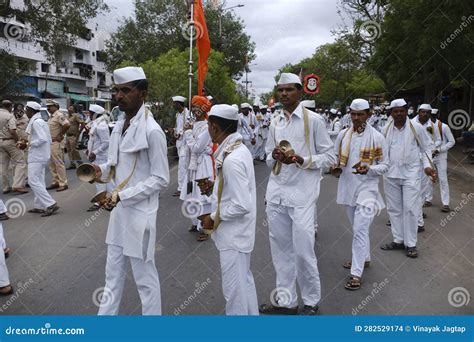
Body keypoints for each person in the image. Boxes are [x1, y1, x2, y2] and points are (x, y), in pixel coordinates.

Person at [259, 73, 336, 315]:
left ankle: (311, 301)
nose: (283, 94)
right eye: (280, 90)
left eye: (289, 90)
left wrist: (303, 160)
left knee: (303, 251)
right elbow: (267, 151)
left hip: (302, 195)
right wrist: (275, 155)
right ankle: (287, 301)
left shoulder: (313, 120)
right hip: (277, 194)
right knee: (280, 251)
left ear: (299, 92)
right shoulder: (275, 121)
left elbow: (331, 158)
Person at [95, 66, 169, 315]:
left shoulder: (153, 131)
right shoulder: (119, 124)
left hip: (140, 217)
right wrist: (99, 171)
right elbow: (116, 166)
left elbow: (161, 179)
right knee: (111, 276)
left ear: (143, 93)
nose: (119, 95)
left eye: (125, 90)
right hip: (119, 215)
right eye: (116, 90)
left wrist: (121, 195)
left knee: (145, 281)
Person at [198, 104, 258, 315]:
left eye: (208, 125)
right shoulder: (239, 150)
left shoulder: (232, 159)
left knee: (233, 294)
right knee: (244, 284)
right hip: (239, 234)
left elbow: (242, 204)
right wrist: (215, 187)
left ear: (214, 127)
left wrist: (212, 217)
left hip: (234, 236)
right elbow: (236, 191)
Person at [334, 99, 389, 290]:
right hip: (348, 189)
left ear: (369, 114)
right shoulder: (342, 135)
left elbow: (385, 165)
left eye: (361, 114)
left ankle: (356, 274)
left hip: (368, 190)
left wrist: (370, 169)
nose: (356, 118)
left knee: (359, 230)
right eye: (353, 114)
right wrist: (335, 167)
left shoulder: (377, 137)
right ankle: (364, 258)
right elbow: (335, 158)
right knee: (358, 229)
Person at [381, 99, 436, 258]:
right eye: (395, 111)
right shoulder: (385, 128)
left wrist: (427, 166)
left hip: (411, 174)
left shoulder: (416, 127)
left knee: (411, 209)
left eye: (401, 111)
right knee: (394, 209)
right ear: (391, 112)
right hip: (390, 175)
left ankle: (411, 244)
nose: (398, 114)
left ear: (407, 111)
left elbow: (426, 148)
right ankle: (398, 240)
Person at [179, 96, 214, 242]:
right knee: (191, 193)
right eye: (193, 106)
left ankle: (206, 227)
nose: (195, 109)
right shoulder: (192, 123)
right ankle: (195, 222)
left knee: (202, 195)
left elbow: (197, 147)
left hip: (202, 164)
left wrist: (188, 133)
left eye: (198, 106)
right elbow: (188, 146)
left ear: (204, 109)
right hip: (192, 164)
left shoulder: (207, 126)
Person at [23, 102, 59, 217]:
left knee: (32, 180)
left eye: (26, 109)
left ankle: (50, 204)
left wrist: (28, 144)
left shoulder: (36, 123)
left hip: (37, 156)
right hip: (41, 155)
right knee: (39, 181)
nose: (25, 112)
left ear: (31, 110)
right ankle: (39, 205)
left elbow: (42, 139)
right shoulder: (40, 121)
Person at [86, 104, 111, 212]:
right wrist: (89, 150)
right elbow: (94, 140)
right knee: (101, 179)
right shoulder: (96, 124)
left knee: (100, 178)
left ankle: (100, 201)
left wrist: (95, 152)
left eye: (91, 113)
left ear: (96, 114)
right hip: (97, 156)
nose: (89, 115)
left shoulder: (101, 126)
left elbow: (106, 143)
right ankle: (106, 198)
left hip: (101, 157)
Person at [429, 109, 455, 212]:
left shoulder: (444, 127)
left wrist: (439, 150)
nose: (432, 116)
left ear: (438, 115)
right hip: (429, 156)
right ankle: (428, 199)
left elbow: (452, 141)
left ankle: (445, 204)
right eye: (430, 114)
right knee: (428, 179)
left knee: (443, 180)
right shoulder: (426, 126)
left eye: (434, 115)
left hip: (441, 157)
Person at [0, 100, 27, 194]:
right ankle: (17, 185)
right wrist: (18, 141)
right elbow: (12, 131)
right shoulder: (9, 116)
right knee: (20, 162)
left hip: (0, 142)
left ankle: (6, 187)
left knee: (3, 165)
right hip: (10, 141)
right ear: (10, 106)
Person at [46, 99, 70, 192]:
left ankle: (63, 183)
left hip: (57, 142)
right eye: (47, 106)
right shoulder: (51, 116)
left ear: (55, 106)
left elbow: (67, 124)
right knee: (52, 164)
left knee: (59, 163)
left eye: (50, 106)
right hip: (51, 142)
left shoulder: (59, 115)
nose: (48, 108)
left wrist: (60, 135)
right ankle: (56, 181)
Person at [172, 96, 192, 197]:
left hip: (185, 143)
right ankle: (187, 186)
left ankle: (181, 189)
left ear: (179, 104)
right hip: (179, 143)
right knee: (185, 166)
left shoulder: (188, 114)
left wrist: (180, 133)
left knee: (182, 167)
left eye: (174, 103)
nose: (173, 105)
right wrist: (175, 132)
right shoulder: (177, 114)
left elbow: (188, 125)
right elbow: (178, 126)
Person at [13, 103, 29, 192]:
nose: (20, 111)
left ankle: (26, 180)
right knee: (17, 163)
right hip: (15, 142)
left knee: (25, 161)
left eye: (21, 109)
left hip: (25, 141)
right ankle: (19, 181)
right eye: (17, 109)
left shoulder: (27, 117)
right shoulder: (11, 117)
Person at [65, 104, 85, 170]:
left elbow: (82, 123)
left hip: (73, 135)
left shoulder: (76, 116)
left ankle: (80, 163)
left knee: (74, 150)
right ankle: (72, 163)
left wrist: (79, 132)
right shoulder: (67, 117)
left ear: (74, 109)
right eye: (69, 107)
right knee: (69, 150)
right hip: (67, 135)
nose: (69, 109)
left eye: (71, 108)